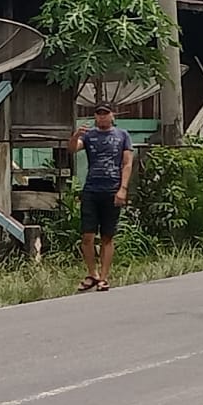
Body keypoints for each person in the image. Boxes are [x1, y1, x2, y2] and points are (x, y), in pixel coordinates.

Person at [70, 104, 134, 292]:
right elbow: (73, 149)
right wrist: (76, 135)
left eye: (106, 114)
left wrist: (123, 189)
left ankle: (104, 277)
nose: (102, 117)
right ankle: (92, 273)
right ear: (95, 117)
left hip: (112, 189)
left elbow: (127, 163)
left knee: (107, 235)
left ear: (112, 116)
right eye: (99, 114)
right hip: (91, 189)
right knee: (87, 235)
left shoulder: (122, 135)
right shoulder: (89, 136)